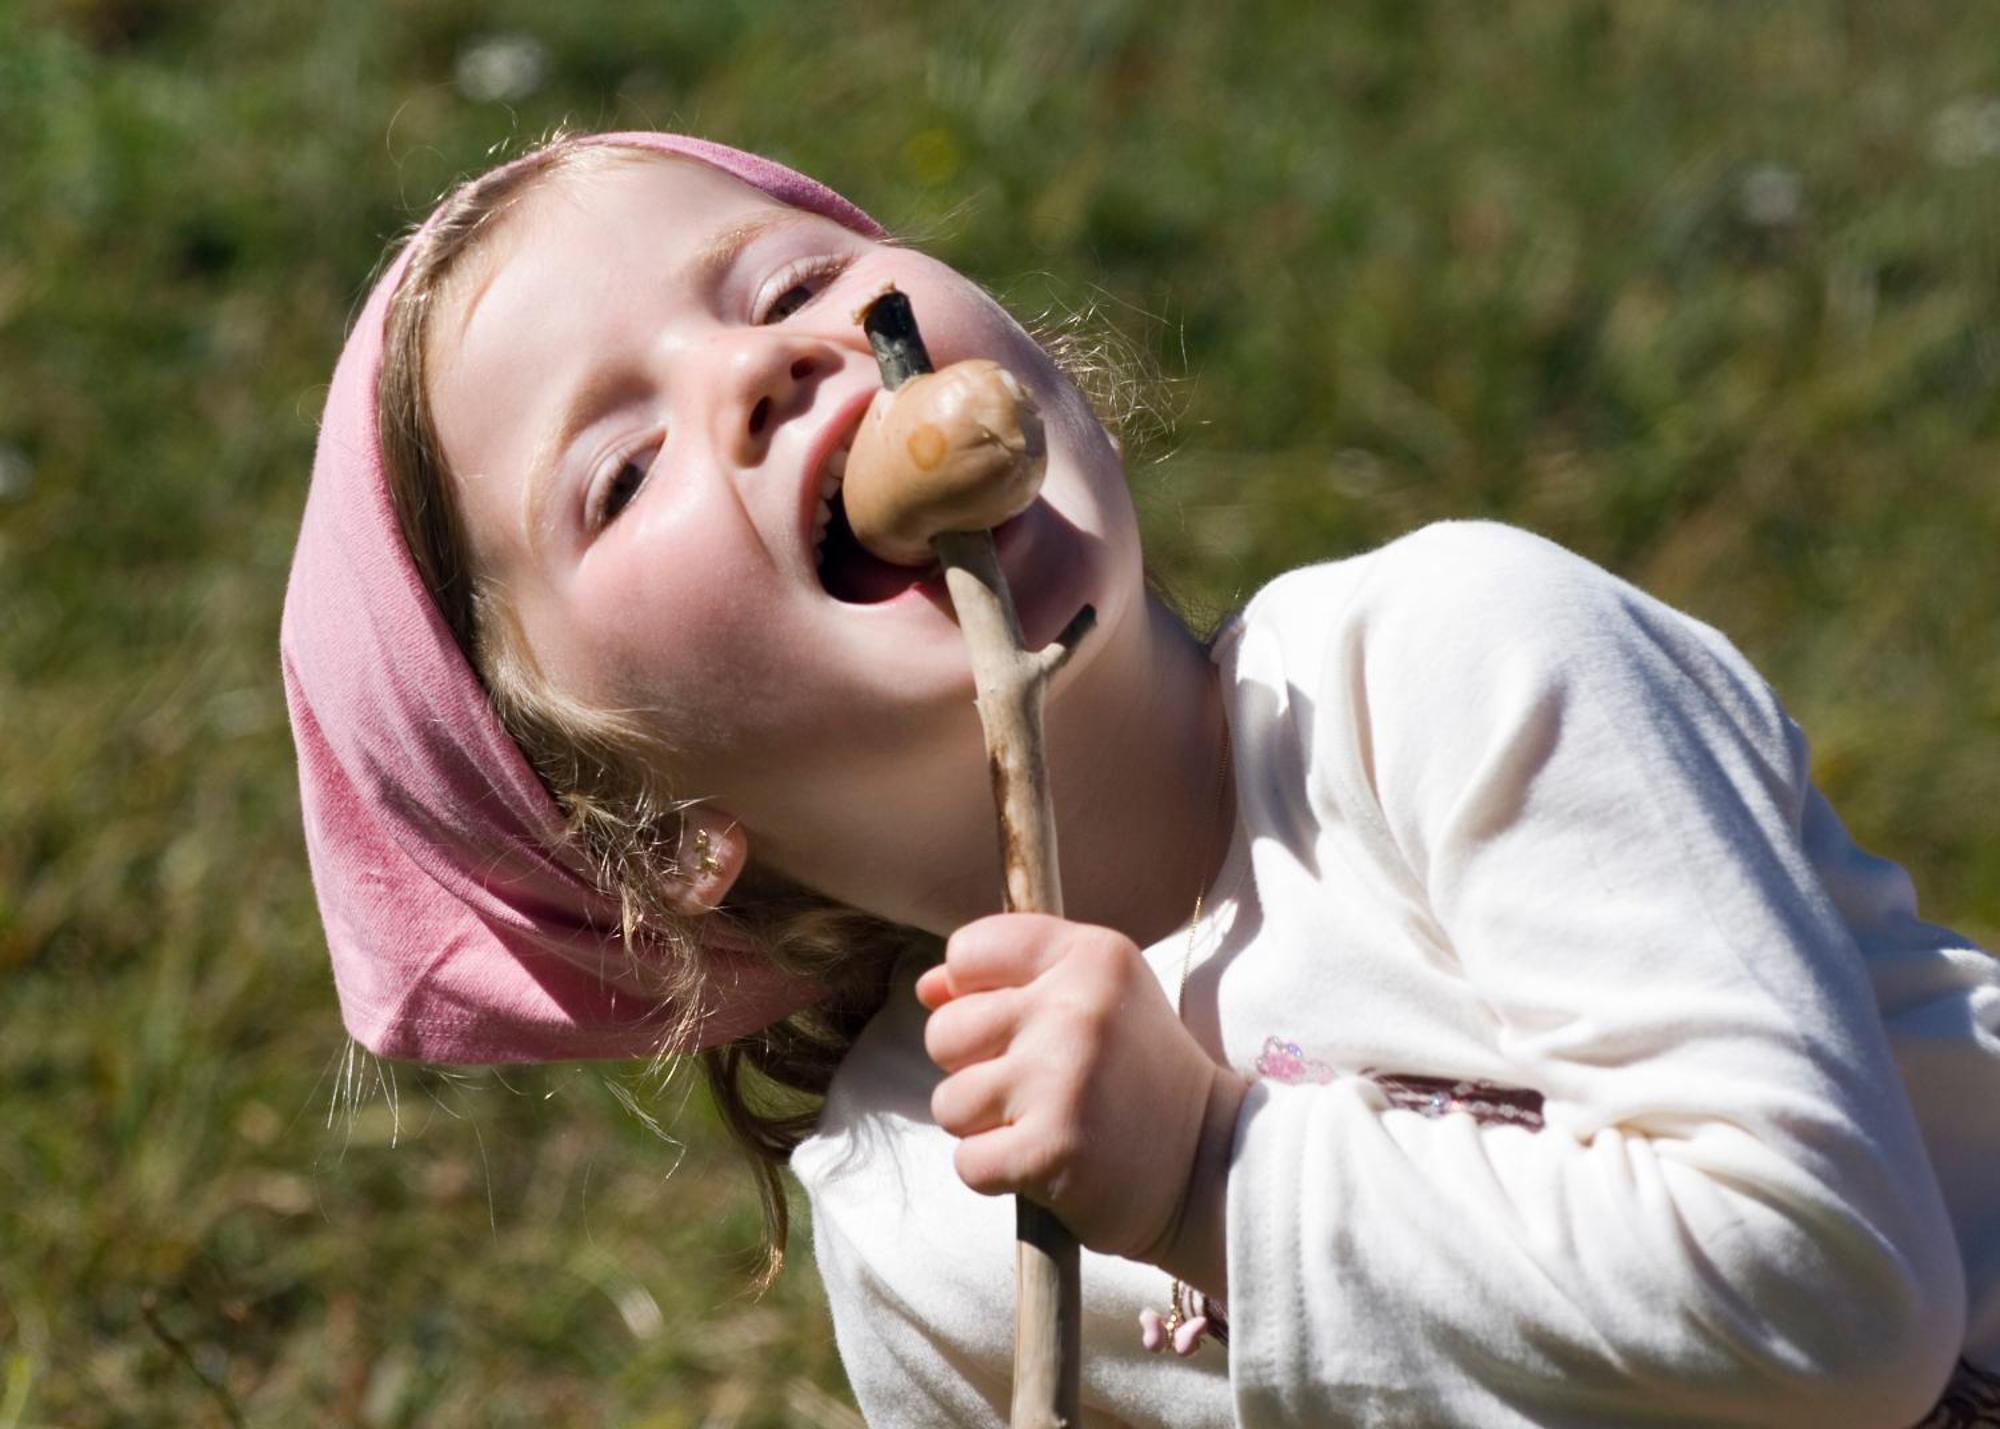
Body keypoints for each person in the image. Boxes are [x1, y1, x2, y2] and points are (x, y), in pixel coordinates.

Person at [283, 130, 2000, 1427]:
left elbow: (1843, 1309)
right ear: (656, 844)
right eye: (624, 466)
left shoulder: (1455, 667)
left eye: (793, 282)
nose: (766, 366)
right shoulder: (920, 1207)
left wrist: (1208, 1178)